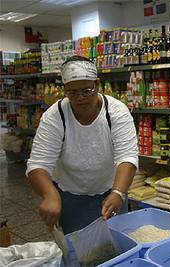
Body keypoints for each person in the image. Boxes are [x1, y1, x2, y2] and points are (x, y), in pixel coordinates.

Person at [26, 56, 138, 234]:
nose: (80, 98)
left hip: (112, 190)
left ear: (97, 84)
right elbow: (38, 164)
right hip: (71, 196)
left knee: (117, 247)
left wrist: (118, 193)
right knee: (80, 252)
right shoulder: (56, 116)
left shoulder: (116, 111)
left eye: (87, 91)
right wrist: (50, 195)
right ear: (64, 90)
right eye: (72, 93)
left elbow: (127, 156)